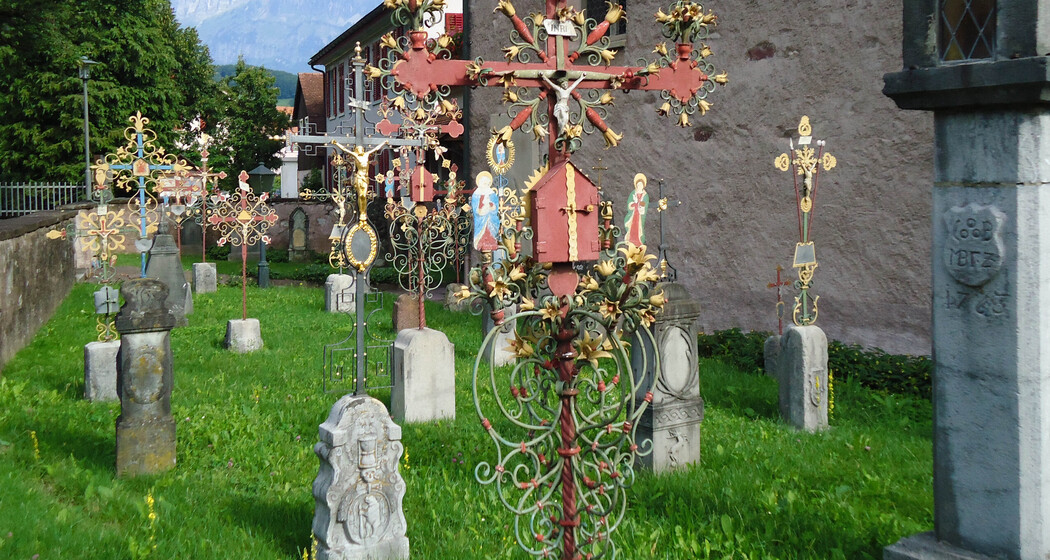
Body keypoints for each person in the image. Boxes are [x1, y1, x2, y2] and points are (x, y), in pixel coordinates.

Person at [471, 171, 500, 251]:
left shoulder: (492, 193)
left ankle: (491, 240)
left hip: (490, 217)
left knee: (490, 229)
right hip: (481, 218)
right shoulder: (476, 194)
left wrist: (492, 206)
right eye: (483, 183)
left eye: (486, 183)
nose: (485, 185)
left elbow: (495, 207)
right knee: (482, 231)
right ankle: (480, 242)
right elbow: (475, 208)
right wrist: (481, 208)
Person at [624, 173, 649, 247]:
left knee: (639, 228)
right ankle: (631, 240)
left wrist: (640, 204)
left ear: (643, 185)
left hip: (640, 214)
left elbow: (645, 203)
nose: (639, 186)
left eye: (641, 185)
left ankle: (639, 241)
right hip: (633, 213)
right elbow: (629, 203)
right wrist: (634, 203)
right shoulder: (633, 193)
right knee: (632, 227)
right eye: (638, 184)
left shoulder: (645, 195)